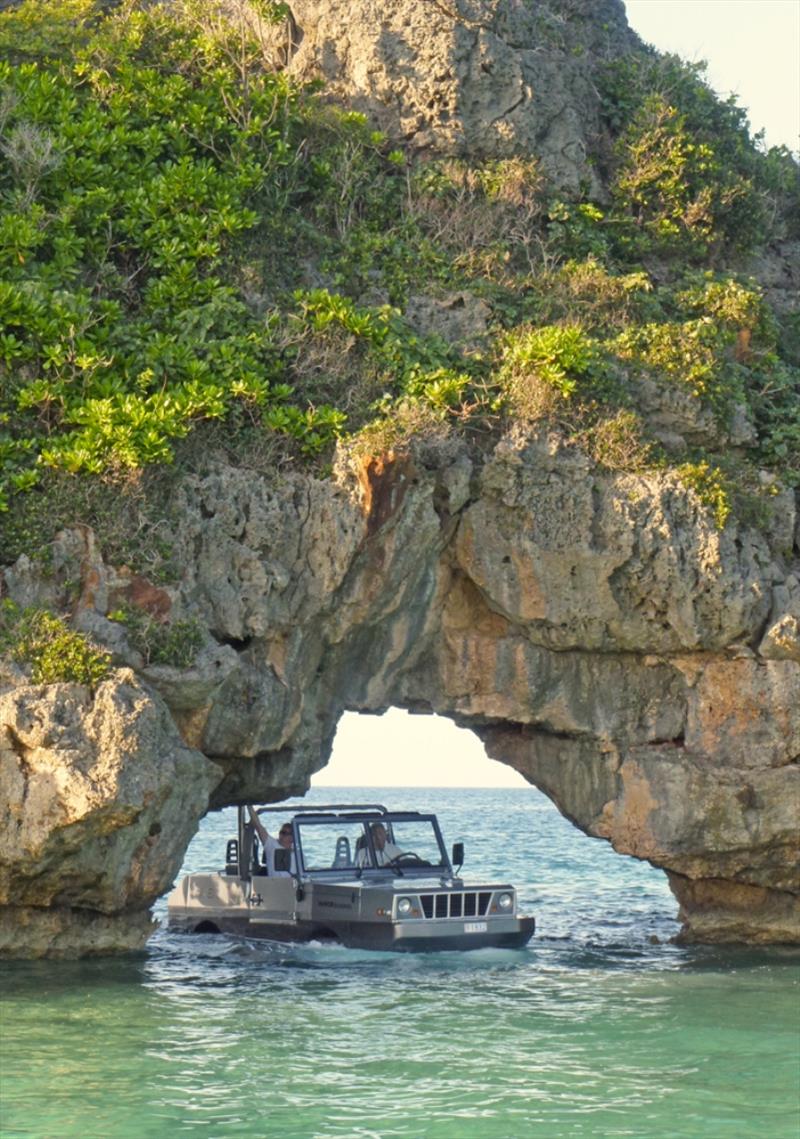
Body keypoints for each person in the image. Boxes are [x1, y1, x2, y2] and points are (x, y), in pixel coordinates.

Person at [248, 806, 296, 877]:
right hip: (274, 885)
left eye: (285, 833)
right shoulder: (271, 845)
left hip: (293, 885)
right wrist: (249, 805)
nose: (282, 835)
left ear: (292, 837)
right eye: (281, 832)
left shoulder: (298, 853)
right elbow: (258, 826)